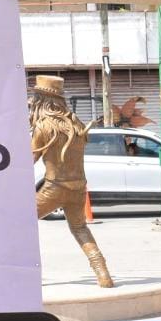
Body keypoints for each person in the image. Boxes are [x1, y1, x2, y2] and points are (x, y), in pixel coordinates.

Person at [30, 75, 114, 288]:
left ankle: (23, 273)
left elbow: (29, 159)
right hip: (78, 187)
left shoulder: (44, 127)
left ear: (41, 101)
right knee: (80, 228)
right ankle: (103, 274)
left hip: (54, 187)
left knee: (20, 224)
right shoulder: (76, 124)